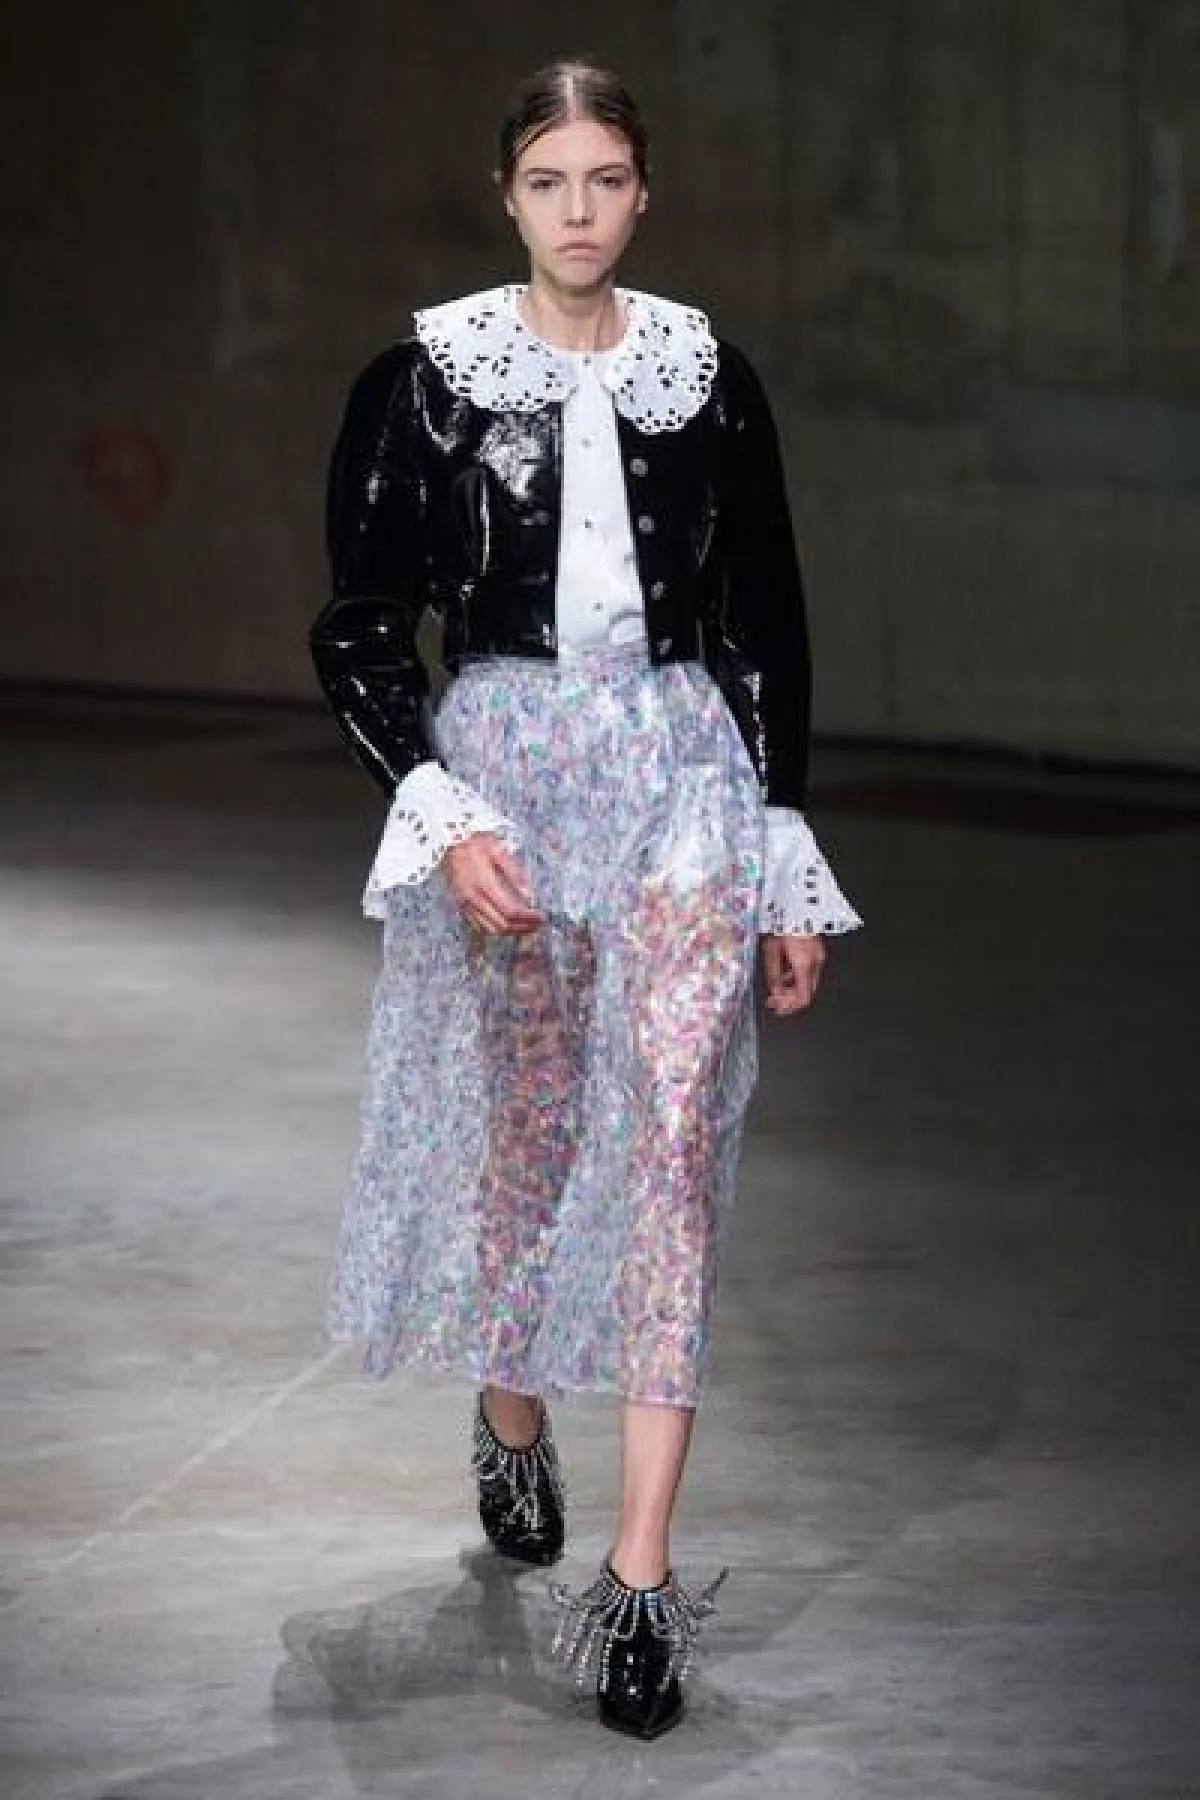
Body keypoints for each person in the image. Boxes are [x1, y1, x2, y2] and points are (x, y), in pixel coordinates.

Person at [309, 57, 861, 1741]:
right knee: (535, 1130)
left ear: (642, 192)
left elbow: (767, 621)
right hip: (511, 777)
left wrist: (782, 850)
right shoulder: (424, 384)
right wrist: (437, 805)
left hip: (682, 766)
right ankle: (513, 1414)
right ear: (509, 194)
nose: (578, 211)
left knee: (674, 1134)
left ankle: (639, 1579)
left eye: (606, 179)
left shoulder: (709, 379)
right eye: (549, 181)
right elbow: (360, 624)